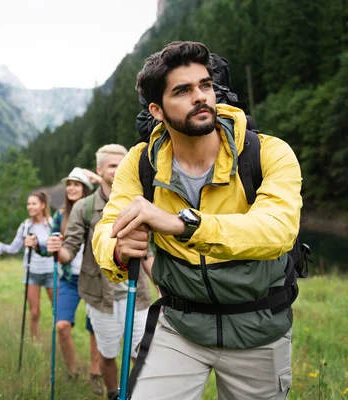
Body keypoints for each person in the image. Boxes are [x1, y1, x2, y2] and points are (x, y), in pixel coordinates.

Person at [92, 41, 302, 399]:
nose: (201, 97)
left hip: (259, 328)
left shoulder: (268, 152)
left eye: (205, 85)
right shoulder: (140, 162)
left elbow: (277, 230)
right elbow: (106, 231)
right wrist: (117, 249)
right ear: (157, 110)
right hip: (180, 326)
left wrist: (182, 223)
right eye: (183, 91)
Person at [47, 145, 155, 400]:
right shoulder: (83, 208)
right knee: (107, 355)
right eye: (112, 166)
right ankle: (112, 393)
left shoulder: (138, 203)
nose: (119, 170)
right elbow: (69, 252)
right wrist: (56, 250)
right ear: (99, 170)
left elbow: (147, 252)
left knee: (141, 354)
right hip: (100, 297)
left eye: (123, 164)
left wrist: (160, 284)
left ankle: (138, 395)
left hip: (137, 295)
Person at [33, 167, 103, 395]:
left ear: (86, 188)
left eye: (77, 184)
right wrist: (38, 246)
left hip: (94, 279)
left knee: (96, 330)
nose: (72, 188)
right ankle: (72, 371)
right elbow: (50, 247)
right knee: (62, 326)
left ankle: (95, 373)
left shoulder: (97, 211)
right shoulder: (60, 215)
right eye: (69, 184)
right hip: (69, 279)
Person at [0, 191, 54, 341]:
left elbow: (57, 247)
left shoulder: (52, 224)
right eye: (28, 204)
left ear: (42, 206)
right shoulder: (25, 226)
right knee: (34, 312)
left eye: (34, 203)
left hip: (51, 272)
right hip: (32, 272)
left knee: (57, 312)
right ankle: (36, 343)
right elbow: (13, 249)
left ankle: (58, 341)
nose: (30, 207)